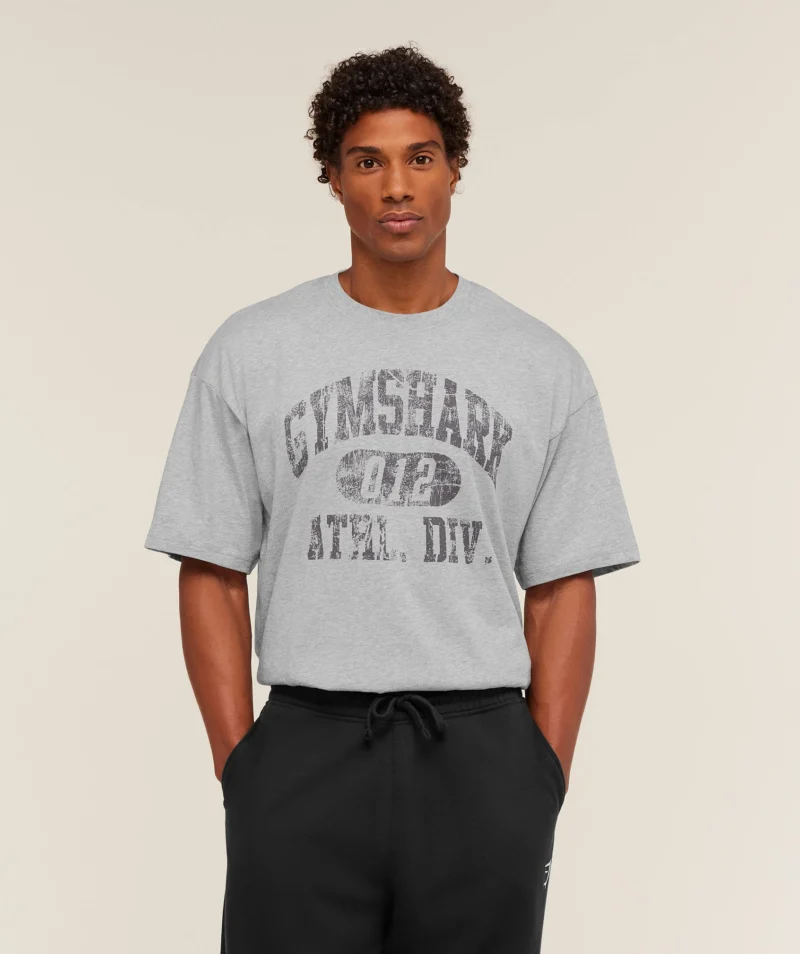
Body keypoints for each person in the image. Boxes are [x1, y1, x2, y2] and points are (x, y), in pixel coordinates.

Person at [144, 42, 640, 954]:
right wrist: (241, 767)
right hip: (306, 746)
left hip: (482, 751)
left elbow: (562, 581)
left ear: (455, 170)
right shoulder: (252, 350)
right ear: (333, 179)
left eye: (420, 157)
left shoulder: (540, 363)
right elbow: (210, 563)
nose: (397, 186)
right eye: (368, 161)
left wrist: (542, 773)